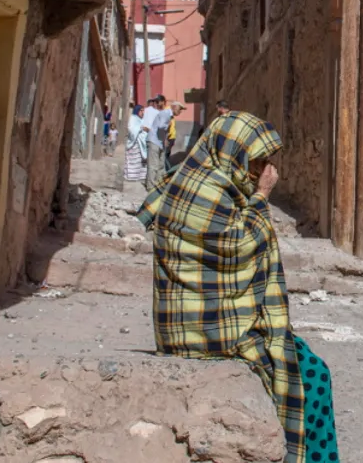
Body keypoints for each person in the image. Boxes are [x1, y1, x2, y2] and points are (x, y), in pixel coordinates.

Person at [131, 111, 339, 463]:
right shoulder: (203, 193)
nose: (263, 169)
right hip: (208, 331)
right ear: (232, 153)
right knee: (312, 378)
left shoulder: (205, 181)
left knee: (310, 367)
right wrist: (261, 197)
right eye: (257, 160)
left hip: (216, 318)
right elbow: (240, 246)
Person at [142, 95, 172, 188]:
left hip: (160, 141)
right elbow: (160, 126)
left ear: (163, 102)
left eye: (158, 101)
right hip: (153, 139)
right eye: (155, 102)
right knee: (153, 164)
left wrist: (166, 138)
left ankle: (156, 184)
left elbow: (167, 128)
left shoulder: (166, 112)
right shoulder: (153, 111)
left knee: (160, 164)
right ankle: (151, 186)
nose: (156, 103)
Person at [123, 104, 147, 184]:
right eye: (141, 110)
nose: (142, 112)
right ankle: (131, 176)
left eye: (143, 110)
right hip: (134, 144)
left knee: (141, 161)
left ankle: (140, 176)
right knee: (133, 161)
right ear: (137, 111)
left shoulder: (142, 119)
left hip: (141, 144)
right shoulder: (133, 118)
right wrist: (140, 128)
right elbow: (131, 129)